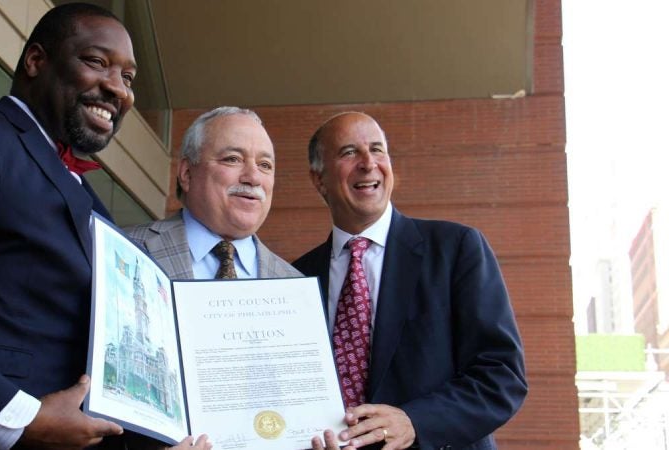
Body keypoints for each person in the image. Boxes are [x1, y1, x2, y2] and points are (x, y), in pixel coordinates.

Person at [0, 4, 207, 450]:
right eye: (96, 62)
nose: (117, 89)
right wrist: (17, 418)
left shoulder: (90, 204)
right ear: (35, 61)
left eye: (128, 78)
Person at [294, 112, 527, 450]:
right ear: (319, 179)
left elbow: (502, 376)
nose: (368, 163)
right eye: (349, 152)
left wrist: (414, 421)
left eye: (377, 149)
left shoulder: (456, 248)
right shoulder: (296, 277)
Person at [127, 106, 300, 280]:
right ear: (187, 174)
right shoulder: (124, 246)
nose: (254, 178)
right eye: (233, 159)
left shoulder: (296, 283)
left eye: (264, 165)